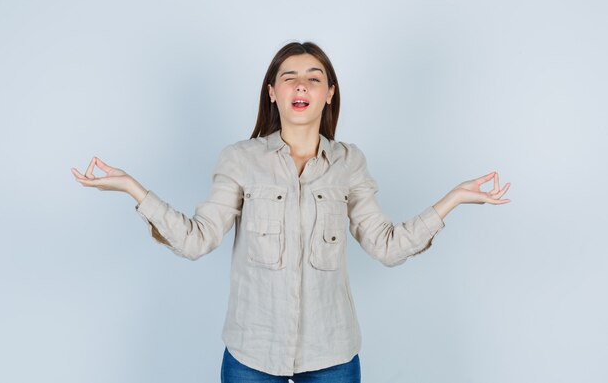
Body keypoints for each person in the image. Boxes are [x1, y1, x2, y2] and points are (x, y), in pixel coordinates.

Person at [71, 41, 511, 382]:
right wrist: (132, 187)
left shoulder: (349, 162)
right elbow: (195, 239)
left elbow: (387, 245)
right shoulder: (240, 159)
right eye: (290, 76)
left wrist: (453, 198)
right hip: (251, 353)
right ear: (273, 92)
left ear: (329, 93)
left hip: (332, 354)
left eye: (314, 77)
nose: (302, 85)